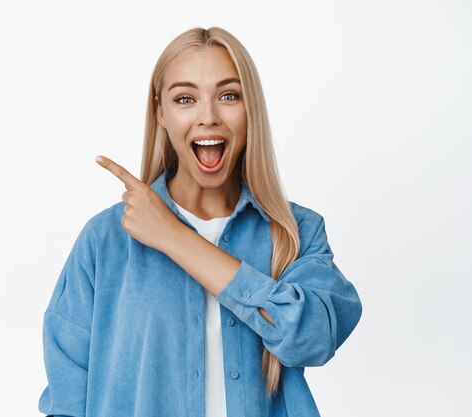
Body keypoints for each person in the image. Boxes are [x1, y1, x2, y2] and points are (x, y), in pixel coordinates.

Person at [38, 26, 362, 417]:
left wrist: (174, 238)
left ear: (251, 108)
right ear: (161, 112)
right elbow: (67, 399)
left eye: (228, 95)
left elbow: (311, 339)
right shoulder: (104, 241)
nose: (208, 117)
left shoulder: (297, 234)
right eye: (185, 98)